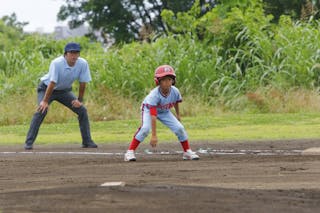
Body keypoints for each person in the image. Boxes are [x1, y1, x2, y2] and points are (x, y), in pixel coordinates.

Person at [24, 42, 97, 150]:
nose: (74, 56)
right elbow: (52, 83)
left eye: (76, 53)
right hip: (46, 89)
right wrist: (44, 101)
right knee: (41, 110)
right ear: (65, 54)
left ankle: (87, 141)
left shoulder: (82, 63)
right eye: (71, 53)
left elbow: (83, 82)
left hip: (64, 91)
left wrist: (79, 100)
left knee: (82, 110)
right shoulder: (57, 63)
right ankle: (28, 142)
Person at [124, 65, 199, 161]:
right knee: (145, 129)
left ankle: (187, 152)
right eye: (164, 80)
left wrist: (178, 115)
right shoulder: (154, 95)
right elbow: (153, 116)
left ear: (173, 81)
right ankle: (130, 152)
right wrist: (154, 135)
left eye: (169, 79)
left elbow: (176, 101)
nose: (167, 82)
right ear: (158, 81)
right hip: (148, 110)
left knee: (179, 128)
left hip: (164, 111)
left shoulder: (175, 91)